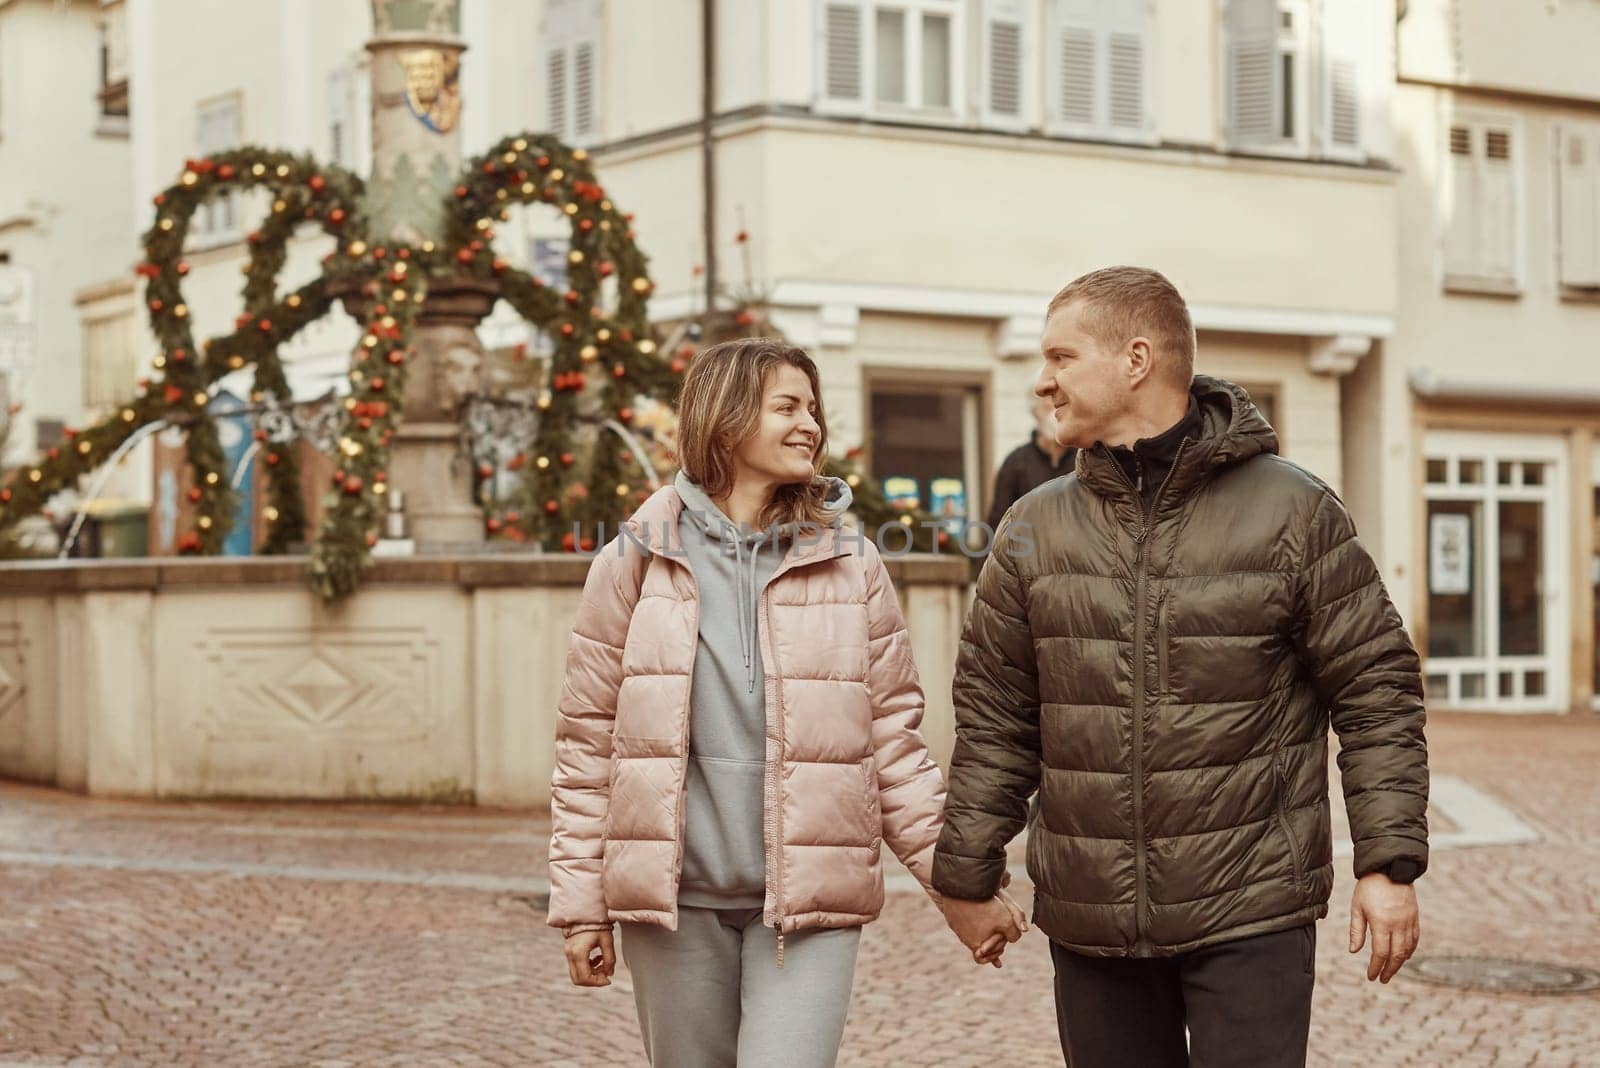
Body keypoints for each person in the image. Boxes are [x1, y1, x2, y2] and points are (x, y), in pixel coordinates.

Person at [931, 267, 1429, 1068]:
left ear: (1136, 360)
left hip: (1252, 910)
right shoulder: (1031, 527)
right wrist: (964, 873)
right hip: (1092, 920)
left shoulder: (1292, 510)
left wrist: (1388, 862)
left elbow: (1377, 690)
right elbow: (997, 716)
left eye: (1061, 356)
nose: (1043, 379)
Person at [548, 338, 1026, 1068]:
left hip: (810, 908)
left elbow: (892, 747)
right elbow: (587, 747)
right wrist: (584, 907)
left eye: (814, 409)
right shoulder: (635, 558)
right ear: (728, 418)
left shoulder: (851, 561)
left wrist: (958, 886)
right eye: (788, 407)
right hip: (675, 907)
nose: (810, 425)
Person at [984, 389, 1076, 532]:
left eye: (1059, 406)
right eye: (1047, 407)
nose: (1054, 414)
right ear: (1034, 411)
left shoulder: (1084, 458)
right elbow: (998, 524)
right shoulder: (1016, 462)